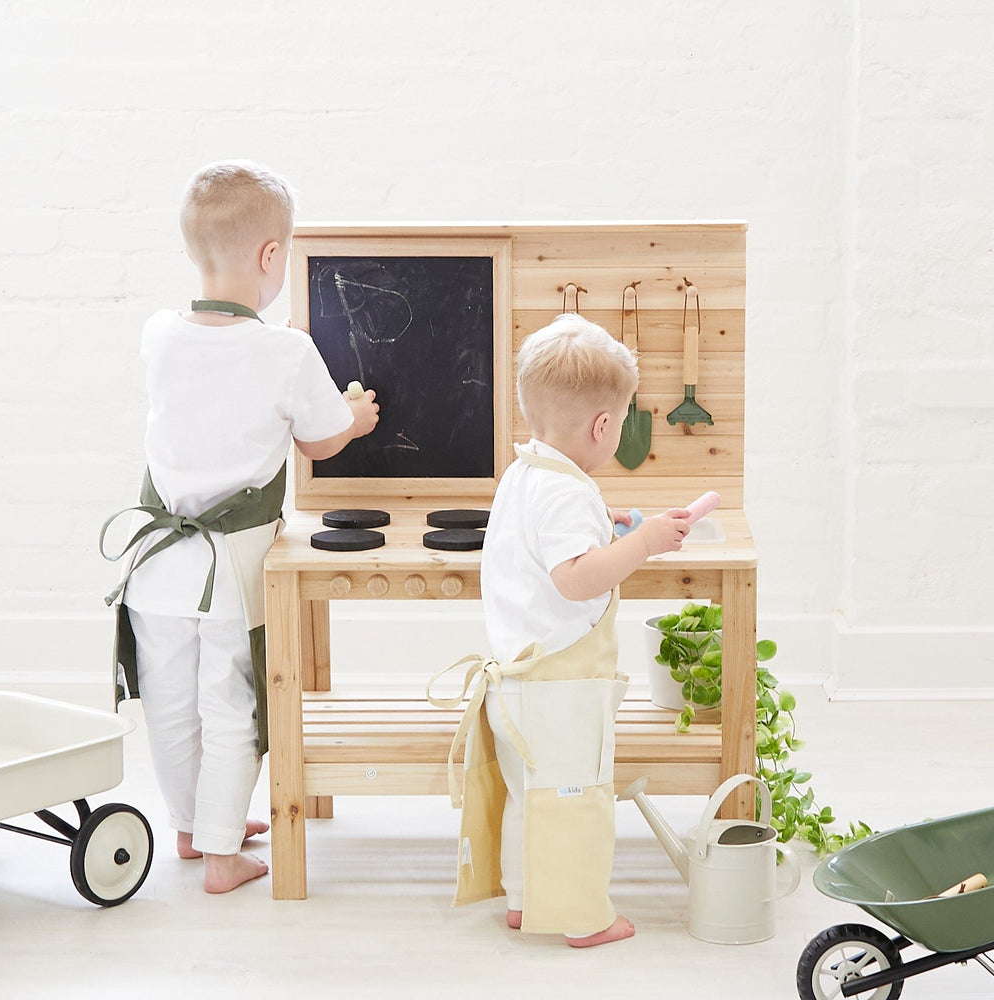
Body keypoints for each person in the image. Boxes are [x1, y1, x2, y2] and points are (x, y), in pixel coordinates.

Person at [101, 161, 379, 893]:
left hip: (155, 567)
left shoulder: (159, 334)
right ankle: (225, 855)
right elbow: (319, 440)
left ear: (195, 253)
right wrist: (356, 417)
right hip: (230, 570)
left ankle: (195, 829)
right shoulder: (286, 350)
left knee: (167, 701)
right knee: (233, 702)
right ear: (269, 256)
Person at [433, 313, 690, 946]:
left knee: (533, 800)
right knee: (576, 803)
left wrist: (610, 519)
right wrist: (647, 543)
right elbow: (575, 578)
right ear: (604, 426)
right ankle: (582, 918)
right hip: (562, 689)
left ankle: (525, 901)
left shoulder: (525, 476)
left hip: (519, 688)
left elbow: (547, 540)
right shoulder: (569, 497)